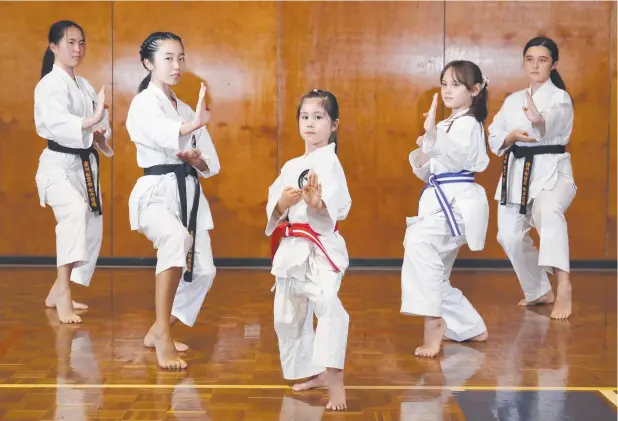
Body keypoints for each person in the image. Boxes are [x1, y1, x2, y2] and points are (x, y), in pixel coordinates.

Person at [125, 31, 220, 369]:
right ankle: (163, 333)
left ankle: (157, 329)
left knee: (205, 271)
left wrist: (198, 161)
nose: (176, 65)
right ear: (149, 63)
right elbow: (161, 133)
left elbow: (211, 162)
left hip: (189, 193)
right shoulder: (143, 103)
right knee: (175, 239)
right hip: (155, 192)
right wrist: (192, 124)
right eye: (168, 58)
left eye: (180, 57)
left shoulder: (182, 106)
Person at [266, 89, 351, 410]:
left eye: (319, 117)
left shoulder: (331, 164)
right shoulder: (291, 165)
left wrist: (318, 204)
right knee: (287, 317)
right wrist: (282, 204)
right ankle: (313, 370)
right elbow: (273, 210)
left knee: (329, 307)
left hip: (320, 249)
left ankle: (335, 380)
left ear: (334, 125)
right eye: (305, 117)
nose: (310, 124)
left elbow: (336, 208)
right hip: (291, 250)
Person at [401, 60, 490, 358]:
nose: (448, 90)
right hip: (438, 200)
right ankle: (470, 327)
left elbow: (455, 158)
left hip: (457, 205)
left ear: (475, 90)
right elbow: (429, 171)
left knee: (418, 241)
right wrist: (429, 140)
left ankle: (433, 322)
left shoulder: (470, 124)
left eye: (456, 84)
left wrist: (434, 137)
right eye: (445, 84)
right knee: (435, 273)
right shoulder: (445, 124)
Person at [488, 36, 575, 320]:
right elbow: (494, 134)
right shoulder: (514, 100)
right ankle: (539, 290)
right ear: (523, 63)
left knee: (548, 212)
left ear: (554, 65)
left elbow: (552, 121)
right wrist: (510, 136)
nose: (535, 65)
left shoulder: (559, 97)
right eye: (530, 59)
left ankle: (563, 287)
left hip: (554, 172)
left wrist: (539, 120)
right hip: (518, 172)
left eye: (542, 60)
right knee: (509, 236)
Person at [34, 20, 112, 324]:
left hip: (84, 166)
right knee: (76, 214)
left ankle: (57, 290)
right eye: (70, 43)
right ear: (54, 47)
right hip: (57, 167)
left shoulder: (84, 85)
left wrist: (100, 132)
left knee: (91, 222)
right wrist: (92, 119)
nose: (77, 49)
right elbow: (57, 124)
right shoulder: (49, 85)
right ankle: (63, 292)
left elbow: (96, 127)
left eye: (81, 43)